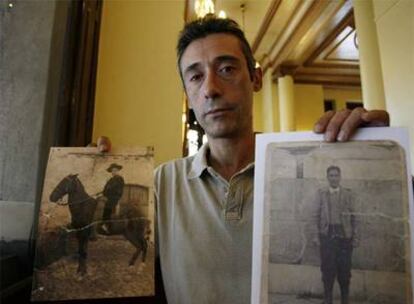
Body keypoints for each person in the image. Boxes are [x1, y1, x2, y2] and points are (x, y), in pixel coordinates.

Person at [96, 15, 389, 304]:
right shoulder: (161, 184)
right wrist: (90, 174)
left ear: (256, 78)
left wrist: (384, 160)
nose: (210, 89)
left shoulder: (311, 171)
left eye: (226, 69)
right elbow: (107, 272)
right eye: (196, 76)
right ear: (187, 92)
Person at [312, 166, 357, 304]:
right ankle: (328, 300)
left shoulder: (348, 194)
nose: (334, 178)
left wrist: (355, 237)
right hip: (327, 237)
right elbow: (315, 216)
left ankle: (345, 300)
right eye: (331, 176)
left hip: (345, 238)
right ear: (327, 178)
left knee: (344, 272)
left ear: (340, 177)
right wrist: (316, 236)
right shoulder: (322, 194)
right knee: (327, 271)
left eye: (336, 175)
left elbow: (355, 217)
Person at [101, 163, 125, 233]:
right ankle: (104, 225)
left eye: (115, 170)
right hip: (108, 197)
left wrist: (109, 189)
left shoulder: (120, 179)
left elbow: (118, 189)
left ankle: (107, 227)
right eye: (112, 171)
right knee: (105, 208)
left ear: (118, 171)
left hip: (114, 197)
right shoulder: (110, 180)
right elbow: (105, 189)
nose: (113, 172)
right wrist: (105, 191)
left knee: (108, 209)